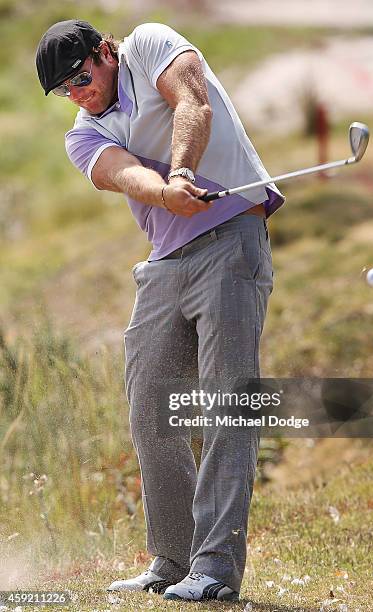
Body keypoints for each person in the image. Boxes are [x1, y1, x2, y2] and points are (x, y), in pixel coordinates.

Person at [36, 19, 285, 603]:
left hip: (232, 239)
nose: (78, 93)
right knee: (151, 405)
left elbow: (192, 103)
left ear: (105, 52)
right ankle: (172, 561)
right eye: (64, 91)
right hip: (165, 263)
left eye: (81, 77)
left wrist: (181, 171)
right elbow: (120, 173)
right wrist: (163, 190)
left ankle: (216, 570)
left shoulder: (149, 44)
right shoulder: (82, 134)